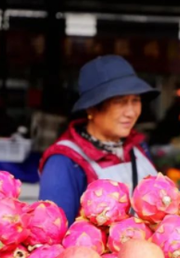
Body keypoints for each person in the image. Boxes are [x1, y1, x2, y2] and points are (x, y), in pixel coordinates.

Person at [38, 55, 160, 225]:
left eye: (135, 100)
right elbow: (52, 234)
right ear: (92, 108)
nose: (131, 112)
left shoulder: (138, 147)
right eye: (120, 102)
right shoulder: (64, 161)